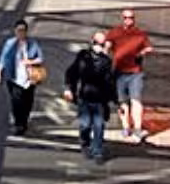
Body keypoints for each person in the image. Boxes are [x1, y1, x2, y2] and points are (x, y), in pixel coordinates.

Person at [64, 31, 117, 163]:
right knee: (85, 124)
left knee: (99, 125)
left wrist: (116, 100)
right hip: (85, 97)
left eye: (102, 44)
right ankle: (85, 142)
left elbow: (110, 82)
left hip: (100, 99)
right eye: (96, 43)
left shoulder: (106, 61)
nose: (99, 46)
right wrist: (69, 89)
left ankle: (97, 151)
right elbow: (72, 73)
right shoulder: (83, 57)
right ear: (92, 42)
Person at [106, 9, 155, 142]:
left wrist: (144, 52)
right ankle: (126, 127)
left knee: (136, 99)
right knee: (122, 101)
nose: (128, 20)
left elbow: (149, 47)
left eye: (131, 18)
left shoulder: (140, 33)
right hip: (119, 72)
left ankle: (137, 128)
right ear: (122, 18)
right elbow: (107, 45)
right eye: (126, 17)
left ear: (134, 19)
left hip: (135, 72)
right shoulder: (115, 32)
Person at [0, 19, 45, 136]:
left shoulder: (32, 44)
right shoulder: (10, 43)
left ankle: (24, 121)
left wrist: (30, 62)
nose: (21, 33)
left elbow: (40, 58)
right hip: (14, 77)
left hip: (29, 78)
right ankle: (18, 124)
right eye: (18, 31)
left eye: (23, 31)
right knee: (16, 102)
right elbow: (3, 58)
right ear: (15, 31)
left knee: (27, 102)